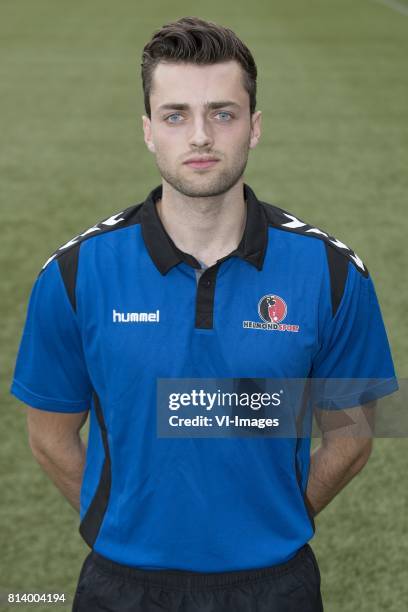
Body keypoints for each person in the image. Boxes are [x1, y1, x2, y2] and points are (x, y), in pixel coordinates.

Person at [10, 16, 398, 612]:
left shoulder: (333, 273)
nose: (199, 136)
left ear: (254, 126)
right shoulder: (74, 274)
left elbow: (352, 437)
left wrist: (274, 519)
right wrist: (125, 525)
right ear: (147, 131)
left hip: (276, 585)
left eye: (222, 113)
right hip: (121, 585)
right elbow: (49, 436)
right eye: (175, 115)